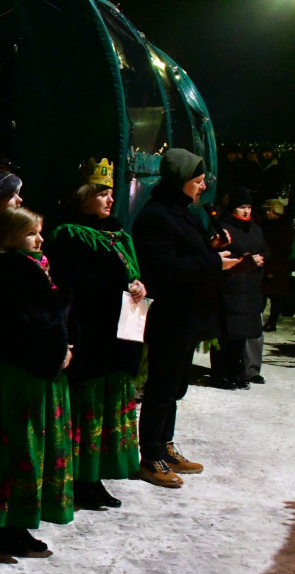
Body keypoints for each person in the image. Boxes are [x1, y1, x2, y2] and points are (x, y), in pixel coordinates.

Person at [132, 148, 250, 488]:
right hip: (170, 314)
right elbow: (165, 268)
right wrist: (214, 264)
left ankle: (165, 446)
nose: (201, 188)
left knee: (176, 385)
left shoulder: (182, 211)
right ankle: (151, 454)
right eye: (197, 181)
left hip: (190, 313)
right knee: (162, 387)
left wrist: (211, 247)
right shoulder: (156, 216)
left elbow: (188, 254)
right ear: (179, 181)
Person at [0, 207, 74, 554]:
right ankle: (10, 526)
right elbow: (29, 326)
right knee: (21, 447)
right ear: (12, 235)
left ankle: (10, 524)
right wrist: (56, 352)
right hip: (21, 375)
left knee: (14, 447)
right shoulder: (12, 270)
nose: (40, 240)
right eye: (32, 234)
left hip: (20, 372)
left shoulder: (8, 267)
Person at [46, 159, 145, 509]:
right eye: (100, 192)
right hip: (91, 336)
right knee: (87, 411)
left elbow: (127, 273)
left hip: (118, 336)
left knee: (108, 409)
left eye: (110, 192)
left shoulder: (118, 233)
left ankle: (97, 476)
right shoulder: (69, 234)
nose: (108, 198)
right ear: (82, 195)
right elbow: (70, 289)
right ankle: (81, 478)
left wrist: (136, 285)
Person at [209, 187, 266, 389]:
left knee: (241, 335)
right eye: (242, 207)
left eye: (249, 207)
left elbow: (263, 250)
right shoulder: (224, 228)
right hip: (230, 287)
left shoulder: (255, 229)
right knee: (226, 334)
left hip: (249, 288)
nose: (246, 211)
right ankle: (221, 373)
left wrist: (260, 260)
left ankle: (237, 370)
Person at [261, 199, 293, 332]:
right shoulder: (269, 225)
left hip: (277, 267)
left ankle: (271, 322)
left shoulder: (284, 229)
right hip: (269, 264)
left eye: (269, 210)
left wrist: (274, 270)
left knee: (276, 297)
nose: (267, 213)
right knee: (264, 294)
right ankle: (262, 320)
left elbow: (283, 252)